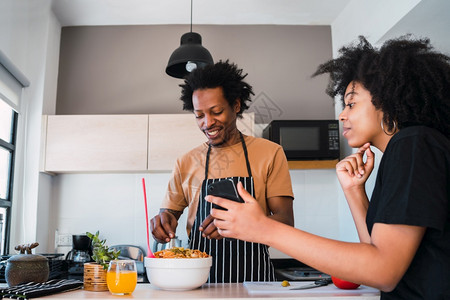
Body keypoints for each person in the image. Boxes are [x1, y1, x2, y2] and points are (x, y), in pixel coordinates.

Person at [207, 36, 450, 299]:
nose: (342, 115)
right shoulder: (404, 151)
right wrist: (354, 191)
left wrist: (263, 229)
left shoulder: (413, 143)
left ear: (388, 99)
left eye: (351, 103)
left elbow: (383, 271)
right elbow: (374, 256)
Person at [150, 60, 294, 283]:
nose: (208, 123)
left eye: (216, 112)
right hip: (198, 282)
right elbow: (169, 214)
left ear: (236, 105)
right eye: (199, 115)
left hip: (255, 282)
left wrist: (243, 224)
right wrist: (163, 221)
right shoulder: (186, 162)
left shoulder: (270, 153)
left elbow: (285, 222)